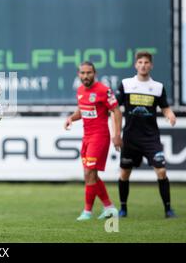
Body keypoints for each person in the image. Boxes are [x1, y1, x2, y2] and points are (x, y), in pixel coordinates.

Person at [116, 51, 177, 218]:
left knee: (162, 171)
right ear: (136, 65)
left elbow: (164, 107)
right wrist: (115, 133)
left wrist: (169, 115)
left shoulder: (157, 87)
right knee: (124, 174)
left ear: (151, 65)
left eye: (146, 62)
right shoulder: (126, 84)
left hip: (151, 138)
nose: (143, 65)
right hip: (130, 139)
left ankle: (168, 210)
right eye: (140, 62)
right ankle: (123, 209)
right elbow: (114, 107)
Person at [65, 61, 123, 221]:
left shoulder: (104, 90)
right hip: (87, 137)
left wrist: (117, 134)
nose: (85, 76)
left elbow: (116, 111)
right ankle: (110, 208)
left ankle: (87, 211)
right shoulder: (80, 90)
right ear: (79, 75)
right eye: (82, 73)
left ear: (94, 73)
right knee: (90, 174)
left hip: (100, 137)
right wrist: (71, 117)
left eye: (88, 73)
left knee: (90, 173)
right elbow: (82, 110)